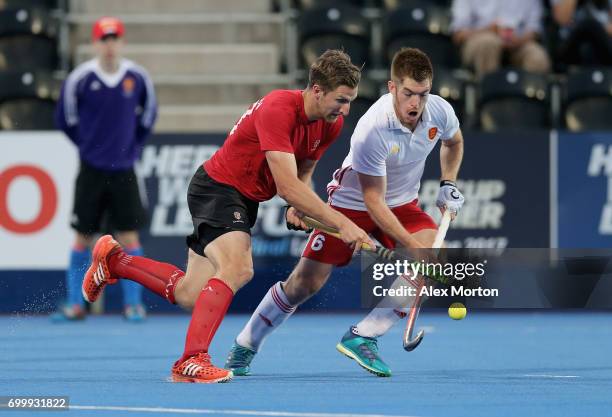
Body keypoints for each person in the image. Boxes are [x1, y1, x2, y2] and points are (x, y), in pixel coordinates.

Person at [80, 49, 375, 383]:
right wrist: (341, 223)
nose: (346, 109)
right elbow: (287, 186)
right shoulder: (280, 108)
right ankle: (191, 360)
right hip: (217, 188)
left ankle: (115, 261)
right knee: (238, 267)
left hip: (242, 199)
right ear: (317, 90)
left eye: (350, 100)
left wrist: (300, 207)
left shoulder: (329, 124)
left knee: (190, 294)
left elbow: (302, 174)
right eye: (341, 99)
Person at [225, 47, 465, 377]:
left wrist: (447, 182)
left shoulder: (439, 111)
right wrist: (410, 244)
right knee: (304, 284)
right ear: (392, 88)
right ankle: (246, 344)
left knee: (434, 257)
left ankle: (363, 336)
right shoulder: (373, 129)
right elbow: (374, 202)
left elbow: (454, 143)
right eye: (408, 93)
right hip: (353, 205)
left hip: (404, 205)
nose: (416, 104)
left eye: (423, 94)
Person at [53, 16, 157, 322]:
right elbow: (65, 119)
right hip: (91, 170)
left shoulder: (137, 77)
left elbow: (148, 116)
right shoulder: (80, 78)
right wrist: (89, 147)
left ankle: (133, 304)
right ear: (95, 43)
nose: (109, 45)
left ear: (121, 42)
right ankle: (76, 304)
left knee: (129, 237)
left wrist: (130, 148)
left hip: (124, 169)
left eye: (114, 39)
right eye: (104, 39)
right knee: (81, 238)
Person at [450, 0, 551, 78]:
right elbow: (458, 34)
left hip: (519, 42)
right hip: (479, 39)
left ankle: (525, 103)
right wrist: (488, 30)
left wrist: (520, 40)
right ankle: (489, 99)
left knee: (537, 57)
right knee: (488, 43)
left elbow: (534, 29)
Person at [551, 0, 612, 67]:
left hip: (600, 45)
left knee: (589, 48)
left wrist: (602, 29)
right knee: (589, 25)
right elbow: (562, 19)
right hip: (569, 44)